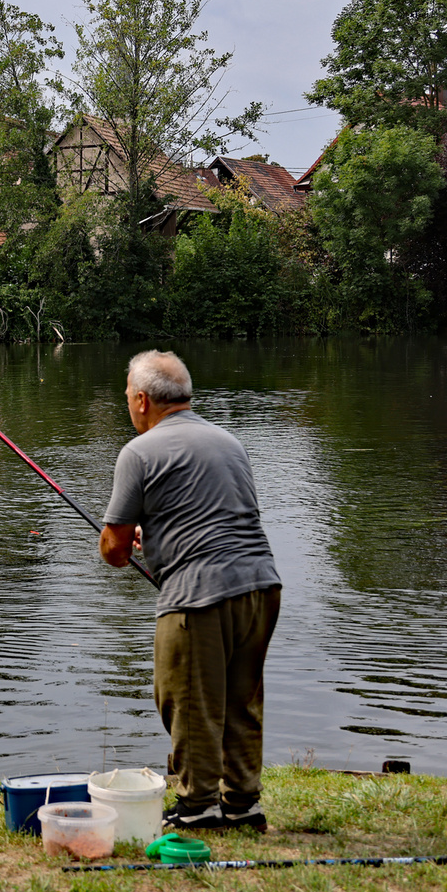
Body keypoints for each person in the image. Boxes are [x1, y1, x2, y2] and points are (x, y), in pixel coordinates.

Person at [99, 351, 282, 831]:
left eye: (126, 398)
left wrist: (127, 542)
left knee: (185, 699)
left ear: (142, 400)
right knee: (240, 700)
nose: (128, 406)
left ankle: (196, 806)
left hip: (198, 595)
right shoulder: (229, 441)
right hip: (261, 585)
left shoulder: (137, 453)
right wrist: (155, 536)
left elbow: (115, 549)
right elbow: (216, 516)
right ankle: (243, 804)